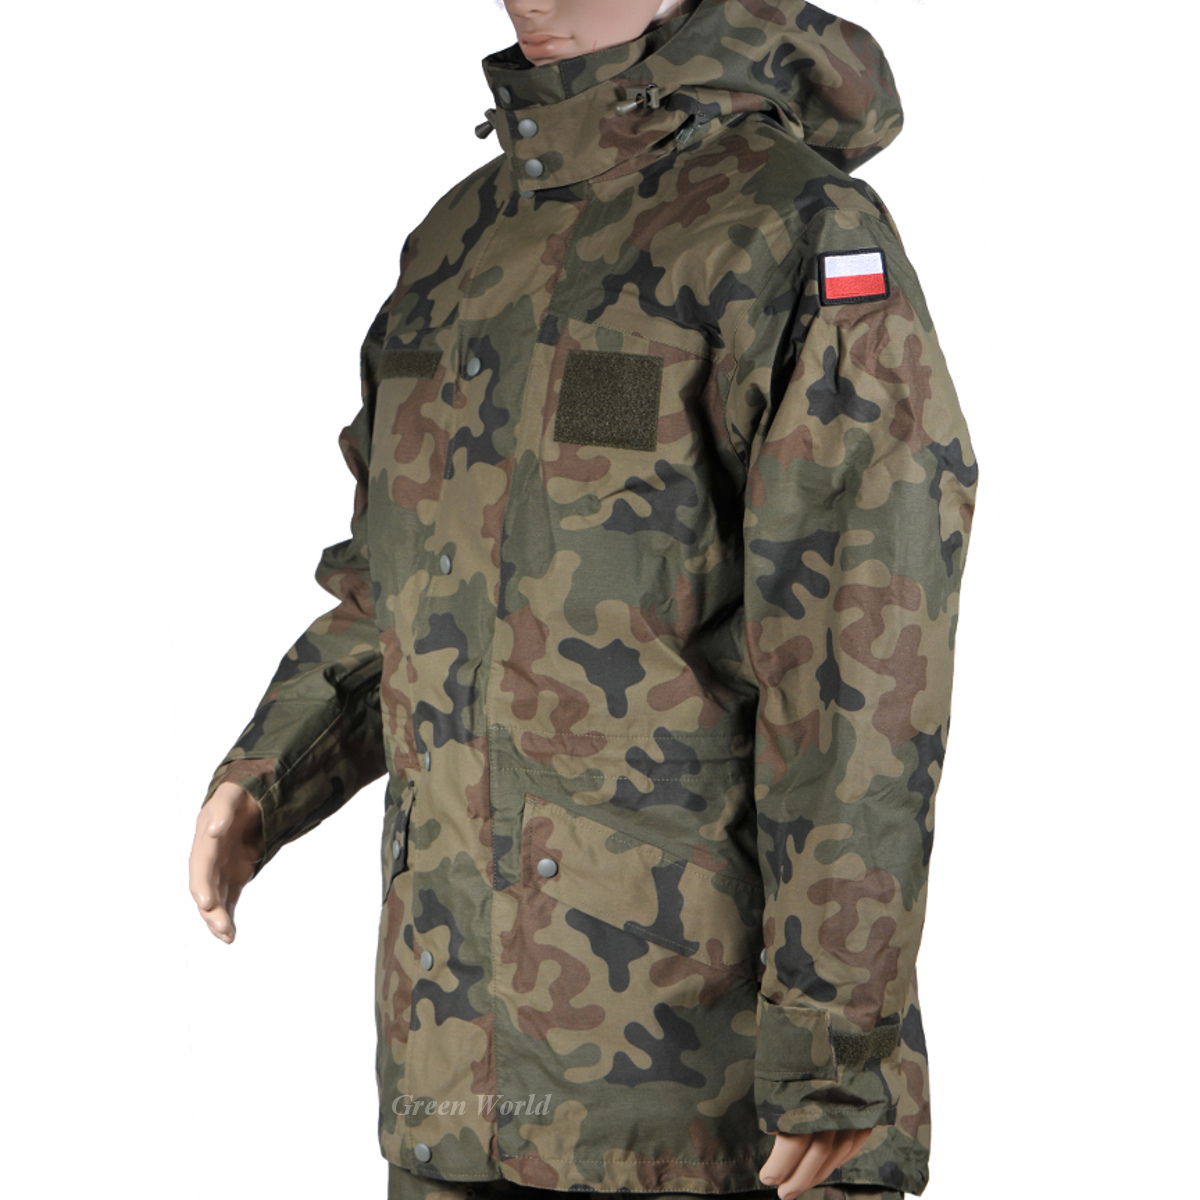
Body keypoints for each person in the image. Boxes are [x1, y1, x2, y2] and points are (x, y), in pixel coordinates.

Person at [189, 2, 978, 1198]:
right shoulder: (457, 248)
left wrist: (834, 1044)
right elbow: (394, 589)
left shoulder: (789, 228)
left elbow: (865, 664)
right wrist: (268, 773)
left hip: (708, 1110)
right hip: (456, 1082)